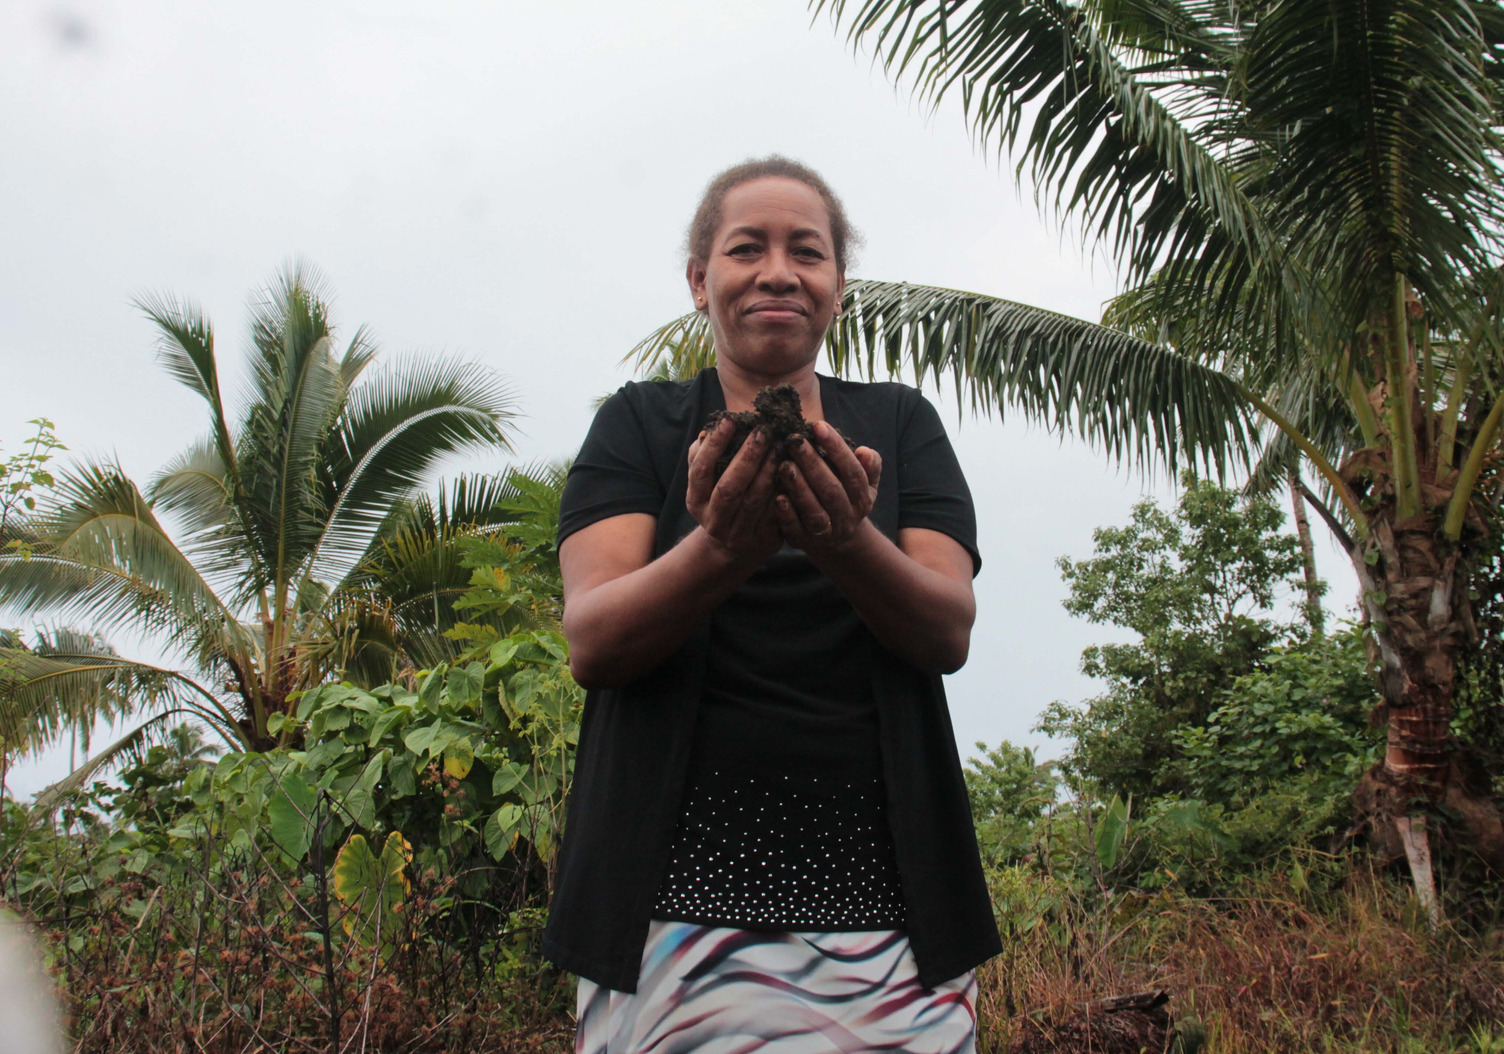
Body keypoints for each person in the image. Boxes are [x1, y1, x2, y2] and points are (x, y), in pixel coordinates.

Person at [543, 156, 1001, 1053]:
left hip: (889, 917)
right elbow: (592, 638)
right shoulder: (638, 425)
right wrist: (723, 549)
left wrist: (844, 541)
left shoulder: (902, 426)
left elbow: (947, 627)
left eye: (809, 252)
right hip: (669, 918)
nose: (779, 271)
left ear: (838, 287)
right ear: (699, 280)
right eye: (745, 248)